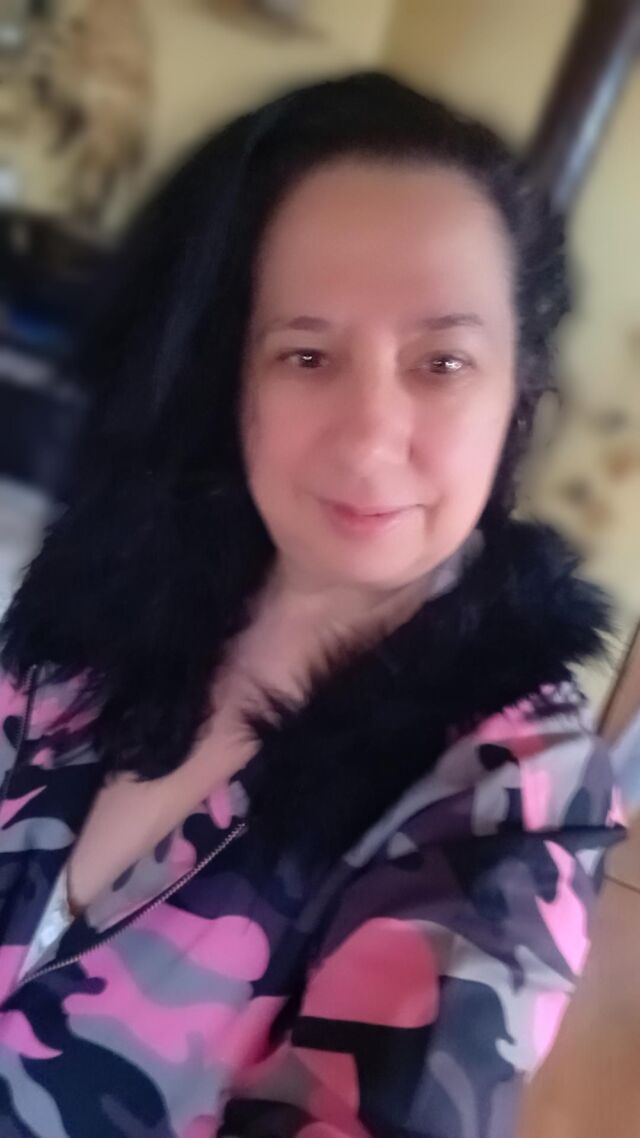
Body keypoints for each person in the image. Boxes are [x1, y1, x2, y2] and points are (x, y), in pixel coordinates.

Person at [0, 71, 627, 1138]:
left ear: (517, 397)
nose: (370, 437)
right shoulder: (101, 600)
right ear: (231, 377)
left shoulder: (515, 793)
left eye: (442, 361)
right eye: (306, 353)